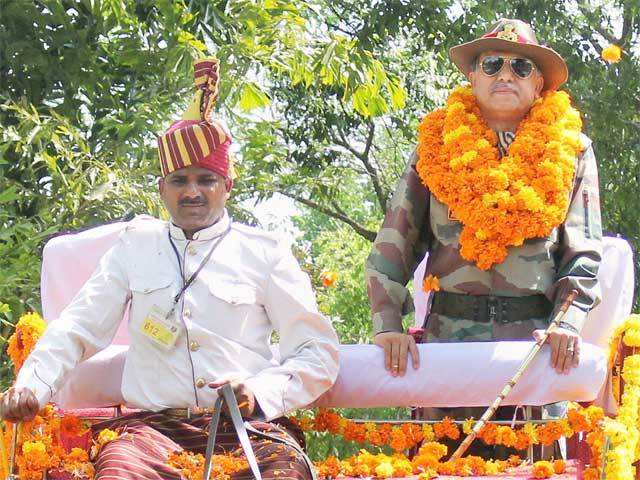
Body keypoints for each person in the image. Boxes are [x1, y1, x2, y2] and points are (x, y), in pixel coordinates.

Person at [1, 57, 340, 480]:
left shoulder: (264, 251)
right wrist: (31, 385)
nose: (192, 192)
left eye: (206, 180)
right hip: (152, 432)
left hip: (246, 428)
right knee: (118, 472)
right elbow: (77, 327)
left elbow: (318, 351)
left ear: (227, 186)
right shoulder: (135, 246)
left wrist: (258, 392)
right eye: (180, 181)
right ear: (162, 189)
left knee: (284, 473)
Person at [366, 18, 602, 431]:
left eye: (521, 67)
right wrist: (387, 325)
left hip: (533, 348)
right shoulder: (435, 145)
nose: (506, 75)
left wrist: (567, 320)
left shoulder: (573, 149)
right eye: (493, 64)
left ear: (539, 85)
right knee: (443, 468)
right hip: (447, 345)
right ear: (473, 77)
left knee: (533, 468)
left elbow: (581, 251)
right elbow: (395, 241)